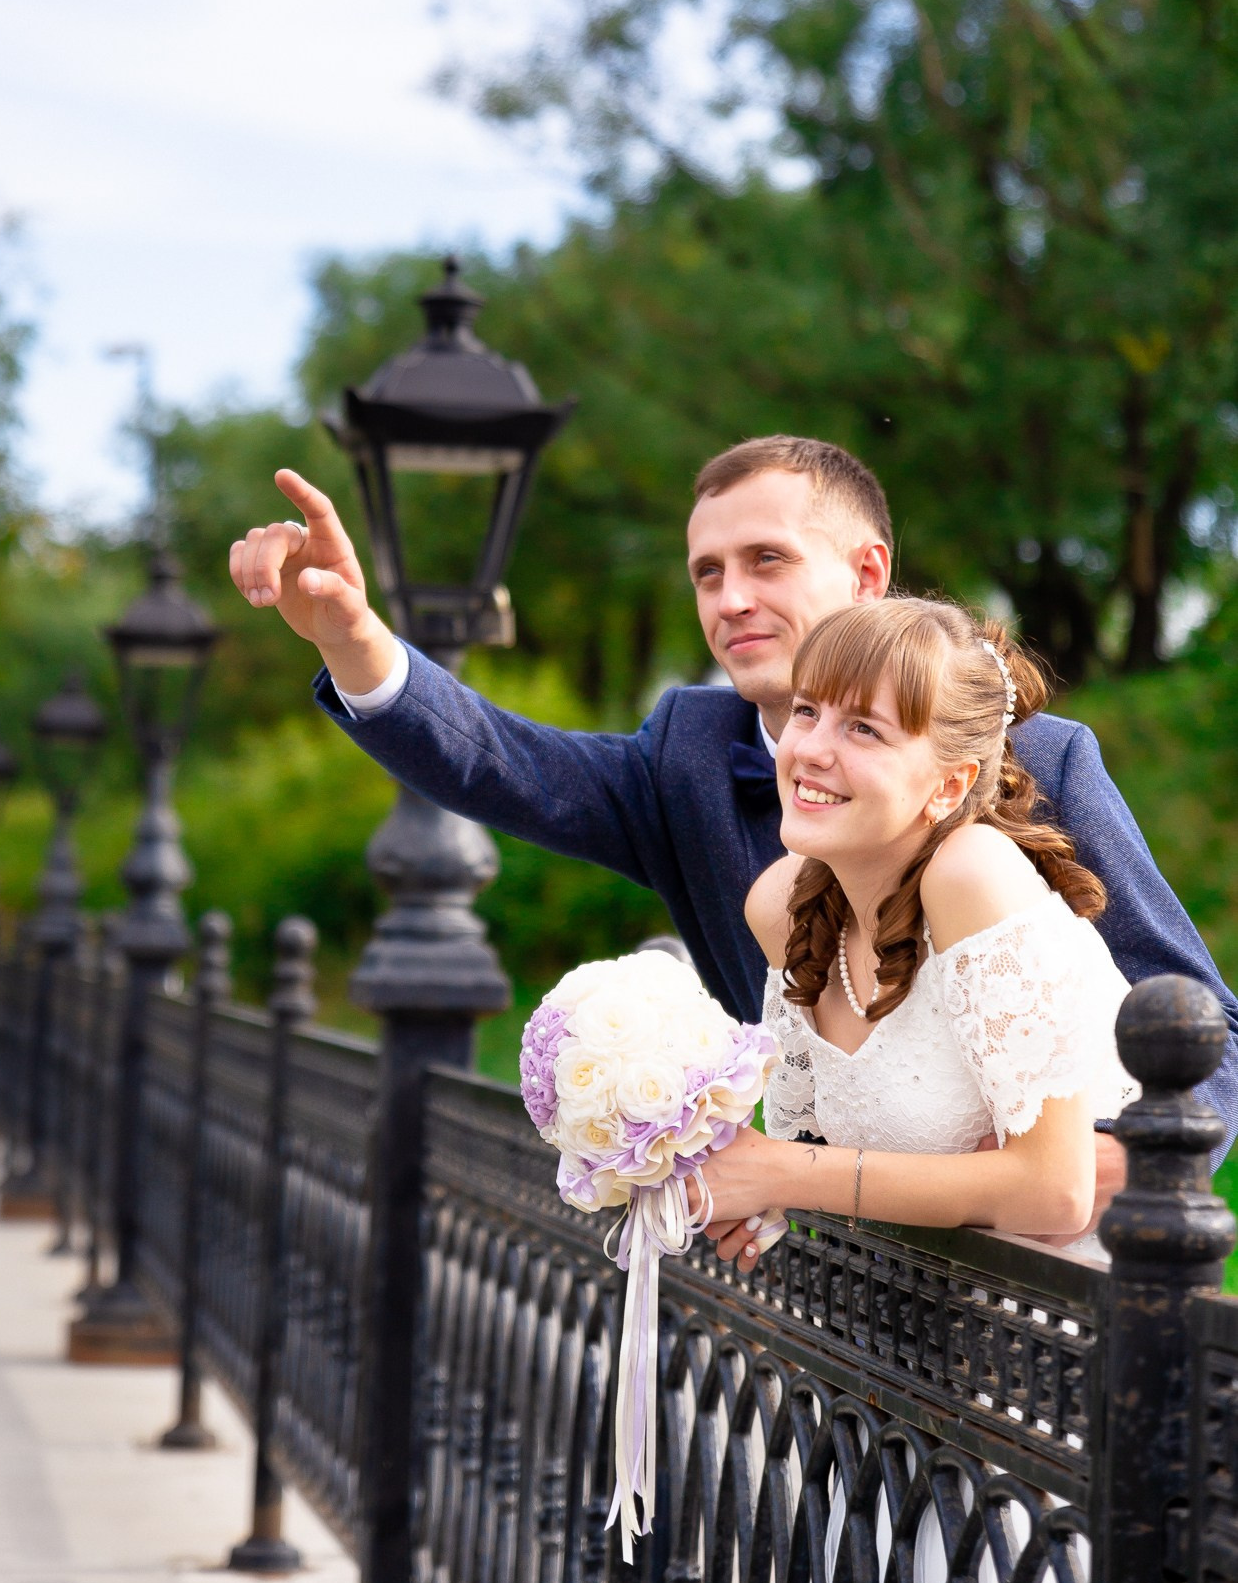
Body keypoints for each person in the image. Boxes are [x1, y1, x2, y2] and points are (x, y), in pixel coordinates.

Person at [229, 434, 1238, 1165]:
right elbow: (503, 763)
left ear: (867, 572)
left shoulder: (1036, 759)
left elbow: (1199, 1026)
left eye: (766, 560)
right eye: (706, 573)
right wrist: (353, 639)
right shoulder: (686, 760)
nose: (730, 598)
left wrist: (1121, 1179)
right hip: (818, 1304)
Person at [693, 597, 1138, 1262]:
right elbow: (823, 1164)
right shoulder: (781, 906)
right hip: (913, 1316)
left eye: (863, 729)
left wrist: (781, 1174)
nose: (809, 749)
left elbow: (1058, 1192)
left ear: (949, 787)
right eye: (807, 711)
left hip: (1072, 1312)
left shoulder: (972, 873)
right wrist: (750, 1195)